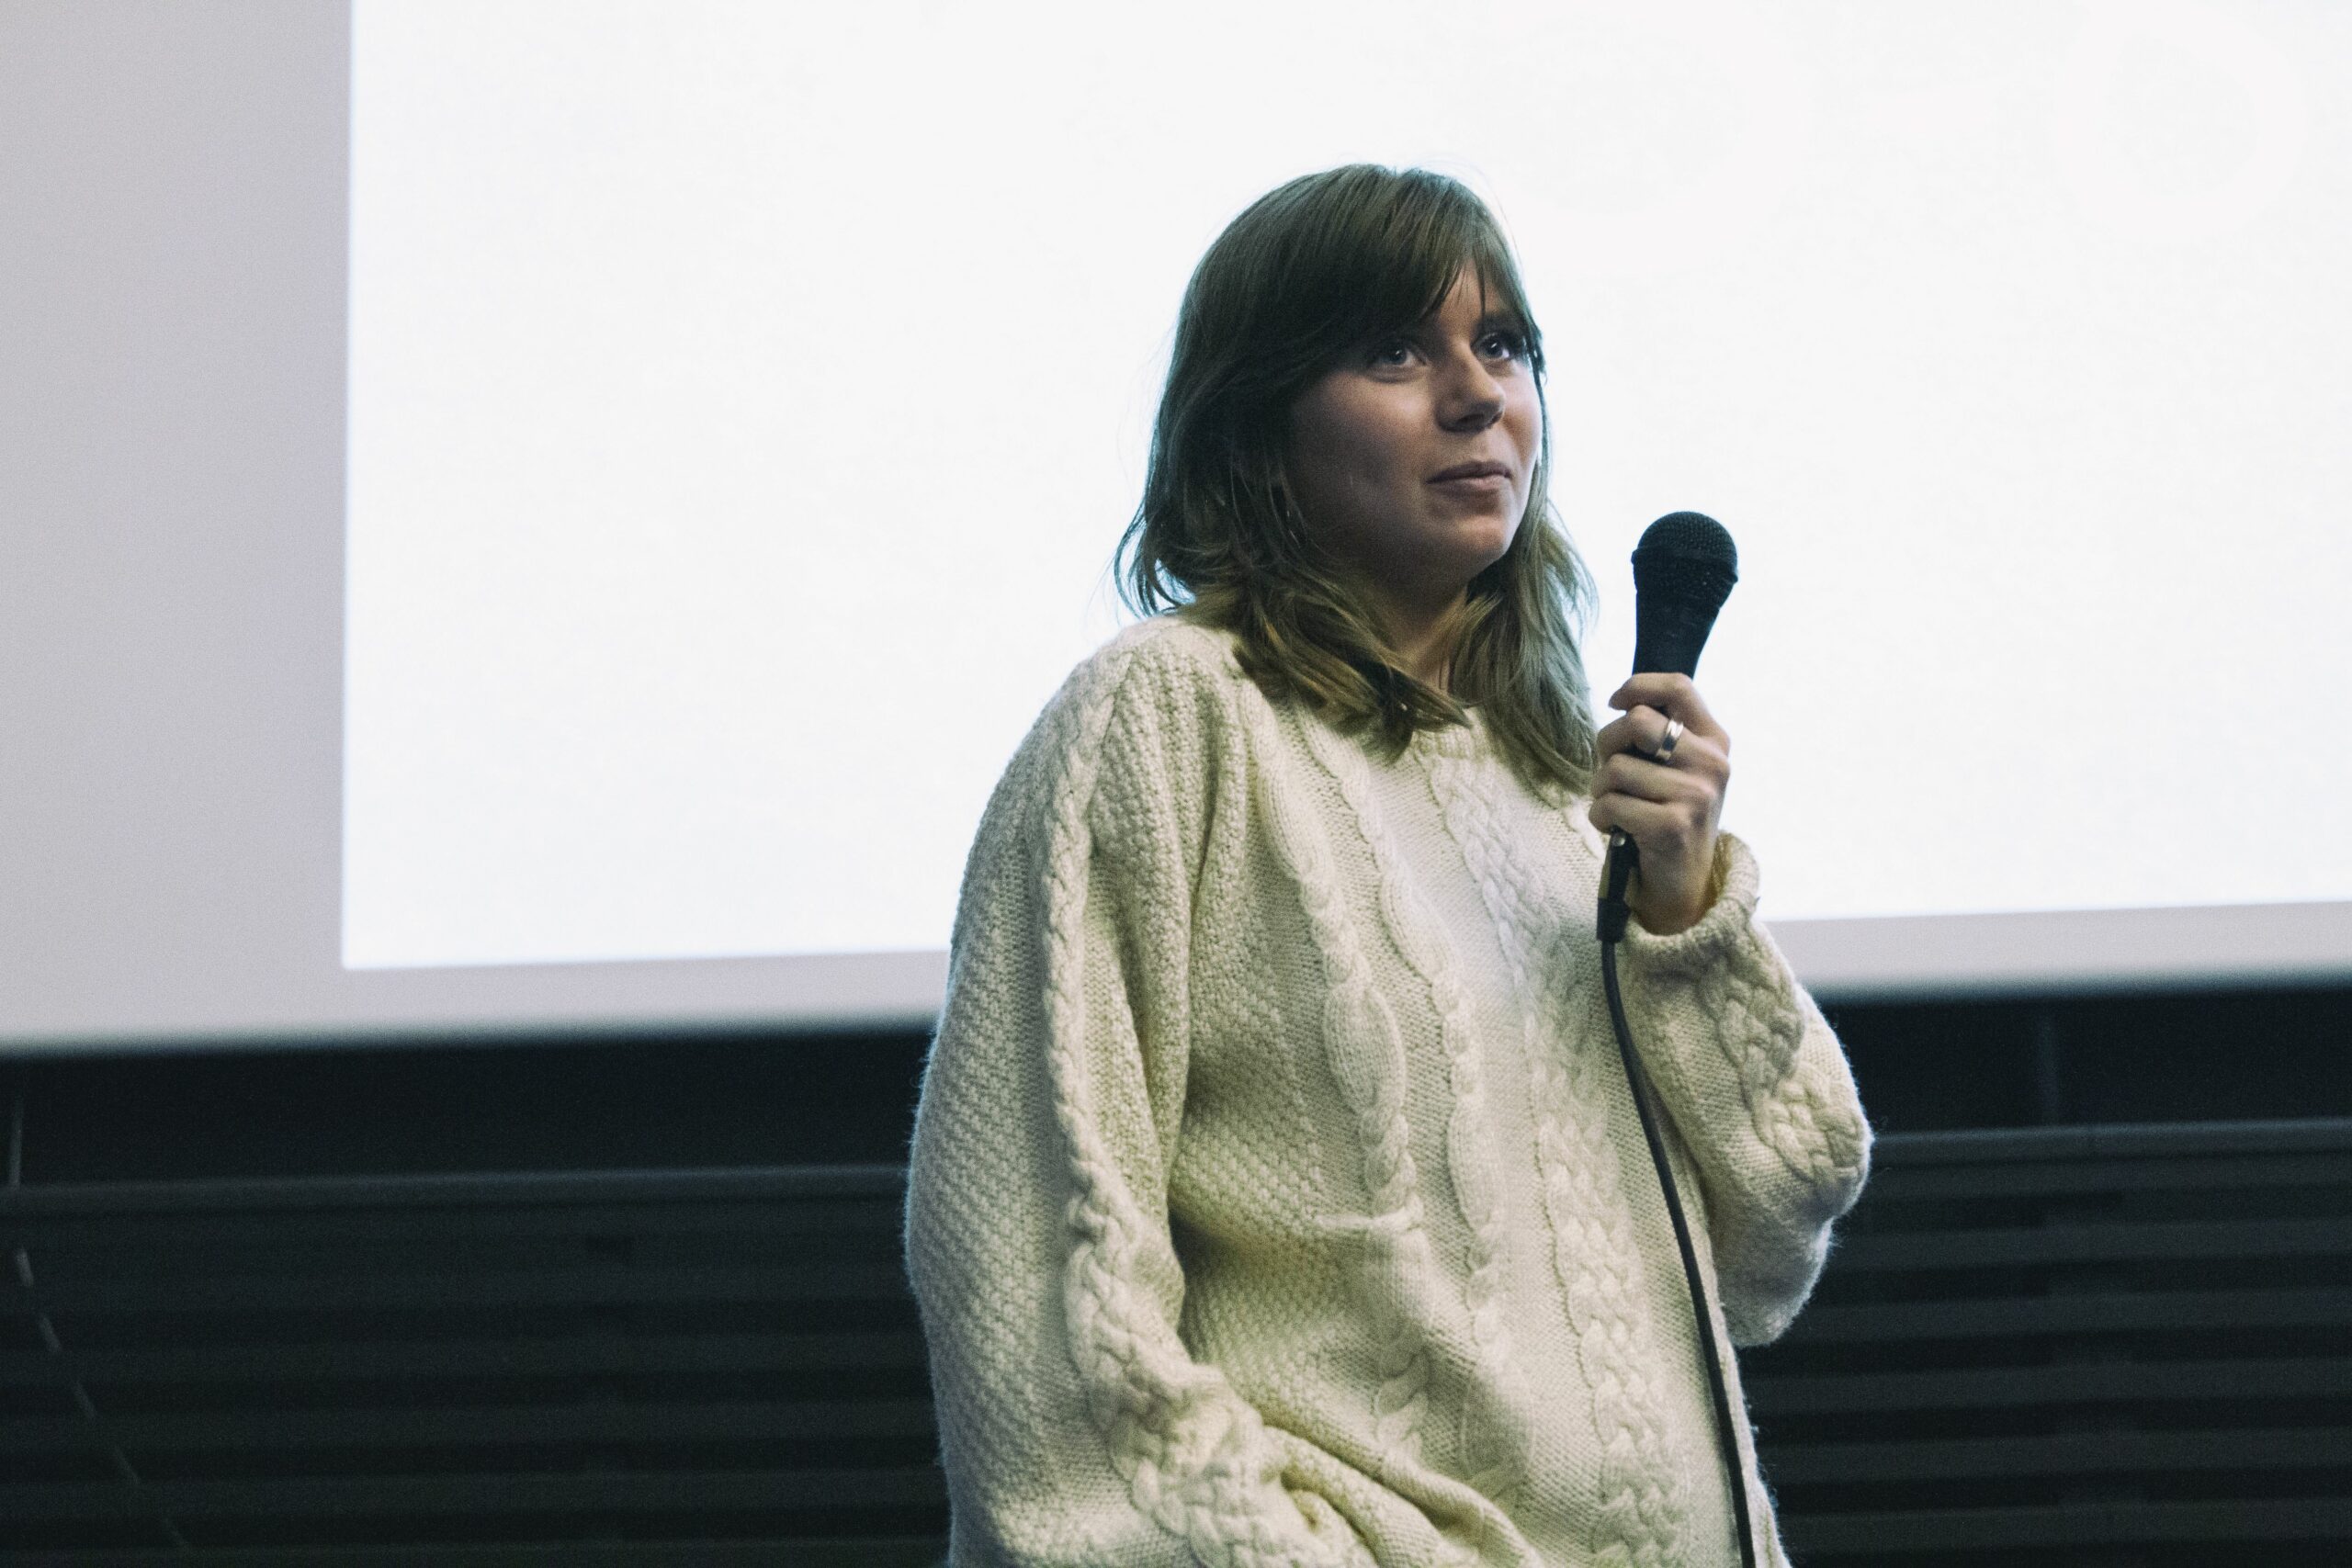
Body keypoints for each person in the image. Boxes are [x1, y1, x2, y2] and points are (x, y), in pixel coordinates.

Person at [902, 163, 1872, 1568]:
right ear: (1258, 427)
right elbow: (1041, 1298)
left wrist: (1684, 916)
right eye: (1397, 352)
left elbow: (1769, 1247)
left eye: (1505, 346)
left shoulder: (1562, 783)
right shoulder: (1168, 715)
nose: (1479, 397)